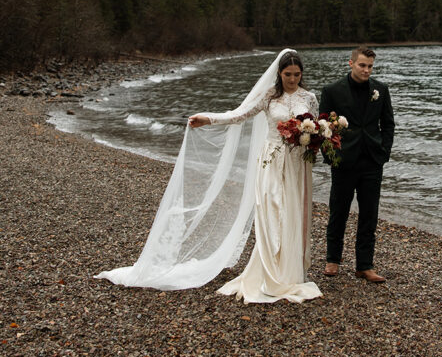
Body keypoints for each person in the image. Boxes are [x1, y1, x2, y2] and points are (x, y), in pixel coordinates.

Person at [96, 49, 322, 304]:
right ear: (279, 73)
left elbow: (313, 129)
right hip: (270, 161)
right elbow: (239, 114)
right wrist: (208, 119)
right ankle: (270, 273)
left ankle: (291, 273)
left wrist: (318, 137)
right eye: (287, 74)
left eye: (297, 74)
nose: (292, 79)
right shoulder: (269, 96)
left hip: (296, 165)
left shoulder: (309, 97)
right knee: (270, 212)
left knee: (292, 214)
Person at [319, 46, 394, 283]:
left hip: (372, 160)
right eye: (362, 65)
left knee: (369, 214)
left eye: (370, 66)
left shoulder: (380, 90)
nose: (366, 70)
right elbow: (323, 126)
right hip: (343, 160)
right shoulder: (332, 91)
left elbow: (388, 124)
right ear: (350, 63)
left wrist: (384, 152)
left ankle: (365, 265)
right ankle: (333, 260)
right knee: (338, 210)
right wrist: (331, 156)